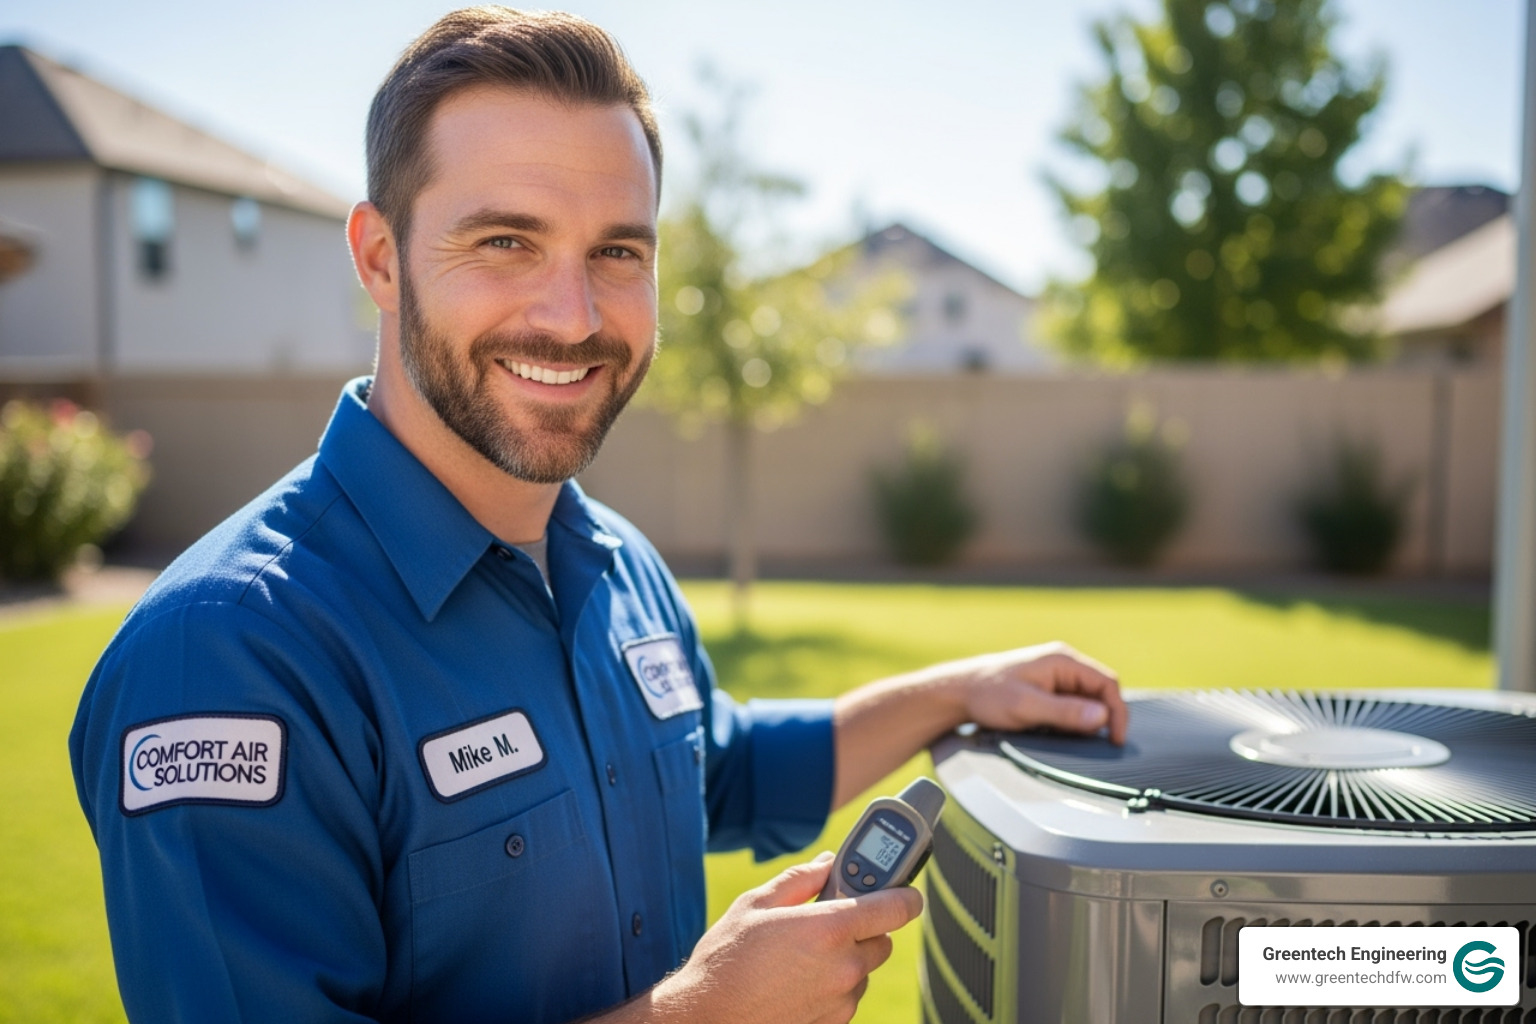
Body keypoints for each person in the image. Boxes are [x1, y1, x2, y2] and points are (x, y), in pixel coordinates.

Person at [69, 8, 1127, 1023]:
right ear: (380, 258)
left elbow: (718, 769)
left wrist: (959, 691)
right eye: (505, 243)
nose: (572, 317)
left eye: (618, 252)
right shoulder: (228, 654)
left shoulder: (617, 566)